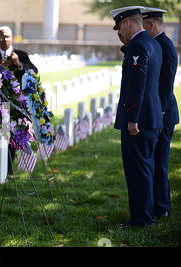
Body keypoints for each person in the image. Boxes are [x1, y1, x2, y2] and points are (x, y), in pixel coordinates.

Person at [110, 6, 163, 228]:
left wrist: (132, 117)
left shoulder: (138, 46)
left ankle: (141, 219)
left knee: (137, 170)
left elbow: (137, 84)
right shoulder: (152, 43)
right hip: (151, 118)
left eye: (120, 27)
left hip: (139, 121)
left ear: (127, 23)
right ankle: (145, 214)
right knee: (146, 169)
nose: (119, 32)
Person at [0, 26, 38, 175]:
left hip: (18, 103)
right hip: (0, 102)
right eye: (1, 36)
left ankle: (8, 169)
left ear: (12, 38)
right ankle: (5, 169)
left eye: (7, 36)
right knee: (3, 134)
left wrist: (19, 64)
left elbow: (34, 71)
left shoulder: (21, 54)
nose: (4, 39)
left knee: (14, 134)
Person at [142, 7, 179, 218]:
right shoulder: (156, 44)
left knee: (160, 161)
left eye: (144, 25)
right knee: (153, 160)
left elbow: (165, 85)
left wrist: (161, 113)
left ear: (151, 25)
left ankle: (162, 206)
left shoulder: (164, 46)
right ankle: (156, 204)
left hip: (163, 113)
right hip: (158, 111)